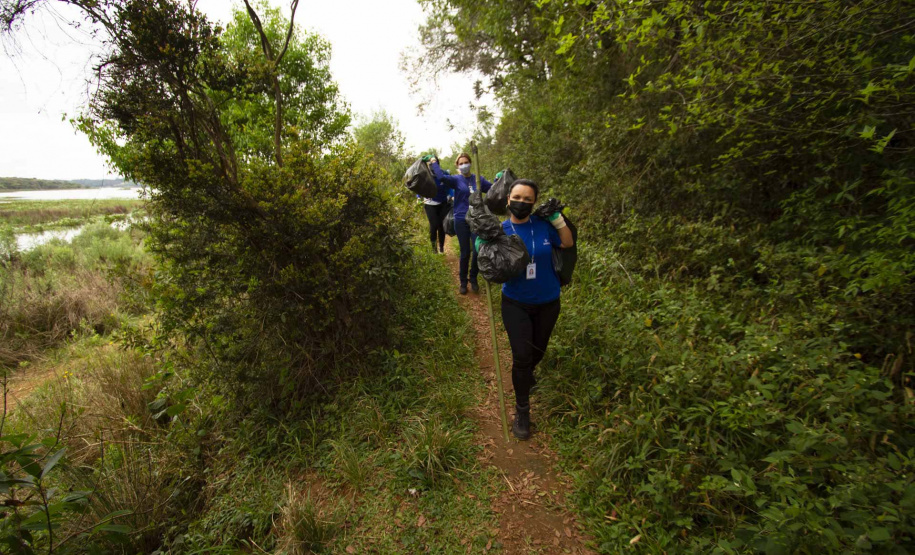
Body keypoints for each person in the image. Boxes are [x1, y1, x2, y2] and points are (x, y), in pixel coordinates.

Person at [477, 178, 574, 440]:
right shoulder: (499, 231)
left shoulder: (543, 225)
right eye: (517, 198)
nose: (522, 203)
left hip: (548, 302)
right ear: (508, 200)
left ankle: (527, 374)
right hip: (516, 302)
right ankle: (522, 411)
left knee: (537, 352)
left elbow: (566, 243)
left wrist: (557, 219)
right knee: (521, 356)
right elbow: (489, 264)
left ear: (533, 203)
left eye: (528, 199)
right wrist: (482, 247)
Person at [429, 153, 492, 294]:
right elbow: (441, 177)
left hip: (476, 219)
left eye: (466, 162)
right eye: (461, 163)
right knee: (465, 252)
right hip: (460, 219)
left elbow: (492, 189)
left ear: (470, 163)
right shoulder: (456, 180)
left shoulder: (478, 179)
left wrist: (500, 180)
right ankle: (463, 282)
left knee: (477, 250)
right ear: (457, 166)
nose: (464, 165)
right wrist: (434, 163)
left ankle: (473, 277)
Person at [419, 154, 450, 254]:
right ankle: (433, 249)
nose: (431, 165)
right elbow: (419, 187)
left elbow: (449, 186)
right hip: (429, 203)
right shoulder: (425, 176)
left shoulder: (444, 173)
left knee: (441, 226)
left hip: (443, 202)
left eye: (433, 163)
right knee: (434, 225)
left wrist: (451, 195)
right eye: (429, 164)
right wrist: (418, 197)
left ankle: (441, 247)